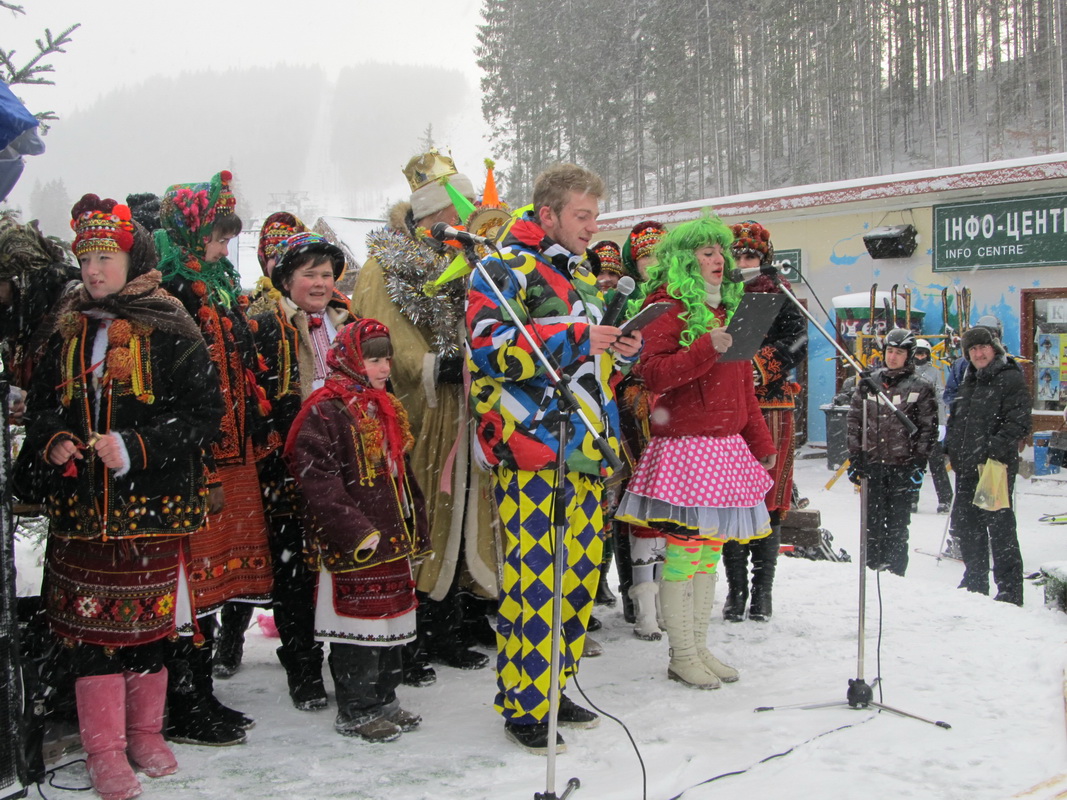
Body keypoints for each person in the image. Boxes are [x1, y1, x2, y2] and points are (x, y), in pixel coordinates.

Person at [19, 195, 222, 800]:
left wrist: (136, 445)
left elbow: (204, 414)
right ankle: (104, 749)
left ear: (133, 259)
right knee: (93, 634)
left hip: (148, 509)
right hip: (85, 515)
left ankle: (145, 733)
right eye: (86, 258)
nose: (94, 270)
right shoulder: (67, 327)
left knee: (149, 630)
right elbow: (42, 408)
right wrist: (55, 439)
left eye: (107, 256)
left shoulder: (172, 325)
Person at [466, 163, 642, 754]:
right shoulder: (502, 265)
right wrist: (573, 339)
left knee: (578, 583)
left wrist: (619, 346)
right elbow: (488, 348)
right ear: (547, 214)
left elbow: (590, 367)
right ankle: (523, 703)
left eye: (595, 215)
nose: (592, 228)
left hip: (588, 445)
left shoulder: (582, 275)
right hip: (534, 446)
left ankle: (555, 686)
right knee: (537, 581)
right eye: (582, 215)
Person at [614, 213, 775, 689]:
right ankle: (681, 653)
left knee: (708, 553)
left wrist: (760, 442)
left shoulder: (729, 308)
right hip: (686, 449)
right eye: (707, 252)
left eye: (720, 251)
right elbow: (656, 375)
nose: (719, 259)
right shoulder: (666, 308)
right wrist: (705, 346)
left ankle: (699, 647)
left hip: (725, 450)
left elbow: (744, 389)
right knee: (685, 553)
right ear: (687, 260)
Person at [352, 150, 494, 687]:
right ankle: (416, 633)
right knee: (423, 518)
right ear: (427, 219)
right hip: (422, 414)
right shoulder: (385, 267)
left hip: (466, 409)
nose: (460, 227)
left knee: (464, 514)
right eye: (449, 220)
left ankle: (456, 618)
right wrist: (442, 365)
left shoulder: (474, 260)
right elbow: (382, 341)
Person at [155, 170, 275, 745]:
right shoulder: (171, 294)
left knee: (208, 580)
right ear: (187, 232)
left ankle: (199, 691)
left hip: (230, 451)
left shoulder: (218, 286)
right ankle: (184, 698)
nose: (226, 248)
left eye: (230, 238)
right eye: (218, 236)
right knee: (188, 582)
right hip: (195, 456)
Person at [285, 319, 431, 742]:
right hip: (357, 545)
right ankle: (357, 708)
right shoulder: (324, 409)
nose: (384, 367)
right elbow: (316, 478)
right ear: (351, 359)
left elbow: (401, 473)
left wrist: (413, 523)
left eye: (386, 358)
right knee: (360, 632)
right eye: (373, 359)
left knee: (390, 627)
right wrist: (355, 530)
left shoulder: (381, 405)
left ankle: (384, 699)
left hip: (390, 537)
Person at [251, 231, 355, 710]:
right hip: (291, 464)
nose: (319, 283)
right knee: (295, 573)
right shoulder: (267, 326)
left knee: (347, 563)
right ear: (286, 279)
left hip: (349, 463)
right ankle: (303, 666)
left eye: (327, 275)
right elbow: (262, 397)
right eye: (309, 274)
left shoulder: (349, 321)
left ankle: (349, 662)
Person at [721, 220, 806, 623]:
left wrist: (762, 365)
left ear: (765, 258)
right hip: (727, 406)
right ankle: (735, 590)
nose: (743, 261)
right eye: (737, 255)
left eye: (751, 255)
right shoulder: (719, 293)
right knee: (731, 496)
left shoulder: (782, 294)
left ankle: (763, 592)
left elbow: (798, 342)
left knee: (768, 499)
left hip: (771, 406)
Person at [945, 326, 1031, 605]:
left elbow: (1019, 423)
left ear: (994, 348)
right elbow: (959, 419)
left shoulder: (1010, 378)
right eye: (972, 350)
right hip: (968, 465)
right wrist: (952, 448)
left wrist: (991, 449)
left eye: (982, 347)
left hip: (995, 467)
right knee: (968, 526)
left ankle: (1009, 589)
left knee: (1000, 529)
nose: (978, 353)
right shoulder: (970, 379)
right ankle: (975, 580)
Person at [846, 328, 938, 576]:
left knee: (898, 525)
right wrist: (855, 456)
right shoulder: (869, 383)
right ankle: (872, 568)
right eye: (889, 351)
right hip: (873, 464)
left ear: (908, 356)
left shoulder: (921, 386)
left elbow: (928, 428)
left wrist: (919, 462)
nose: (893, 357)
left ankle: (896, 574)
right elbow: (854, 421)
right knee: (872, 524)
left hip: (902, 465)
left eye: (899, 352)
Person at [614, 220, 668, 637]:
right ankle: (639, 601)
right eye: (646, 255)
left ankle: (670, 601)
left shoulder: (679, 297)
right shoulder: (627, 300)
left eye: (659, 255)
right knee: (635, 509)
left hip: (673, 413)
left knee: (672, 511)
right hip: (636, 417)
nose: (653, 263)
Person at [911, 338, 953, 514]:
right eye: (917, 353)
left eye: (923, 354)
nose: (920, 357)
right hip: (913, 425)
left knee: (937, 465)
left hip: (931, 425)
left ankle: (945, 499)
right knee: (915, 464)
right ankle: (911, 498)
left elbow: (940, 398)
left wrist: (942, 423)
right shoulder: (907, 373)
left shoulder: (934, 373)